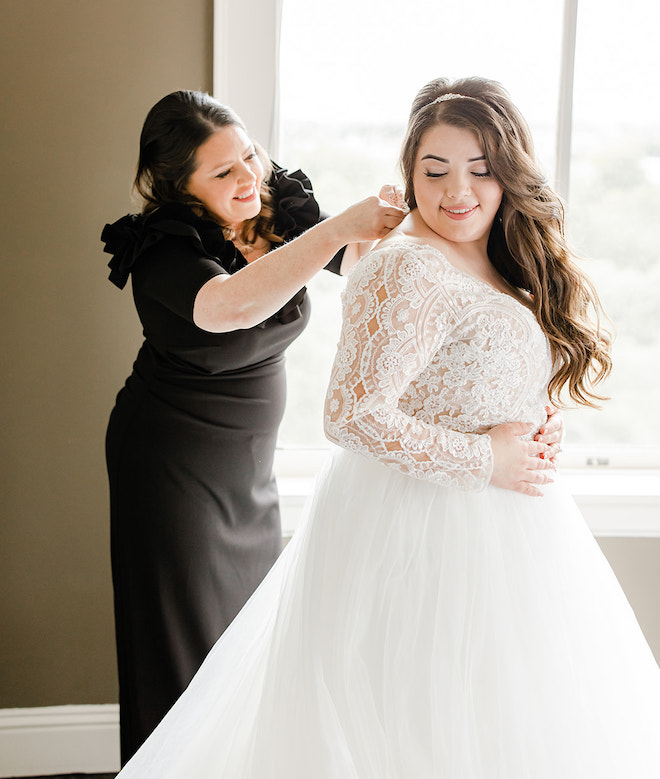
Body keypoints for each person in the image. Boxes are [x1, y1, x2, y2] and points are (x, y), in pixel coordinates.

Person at [113, 77, 653, 779]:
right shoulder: (171, 251)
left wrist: (526, 409)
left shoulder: (478, 249)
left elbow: (447, 347)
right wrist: (487, 456)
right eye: (434, 171)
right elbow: (331, 391)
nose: (457, 189)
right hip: (184, 454)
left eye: (481, 168)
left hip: (283, 463)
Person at [101, 89, 408, 763]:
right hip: (173, 467)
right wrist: (334, 229)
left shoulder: (277, 203)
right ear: (180, 186)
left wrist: (413, 225)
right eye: (223, 172)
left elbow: (358, 265)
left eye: (249, 155)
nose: (248, 177)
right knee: (182, 643)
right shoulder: (165, 250)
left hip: (246, 469)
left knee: (251, 639)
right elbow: (227, 311)